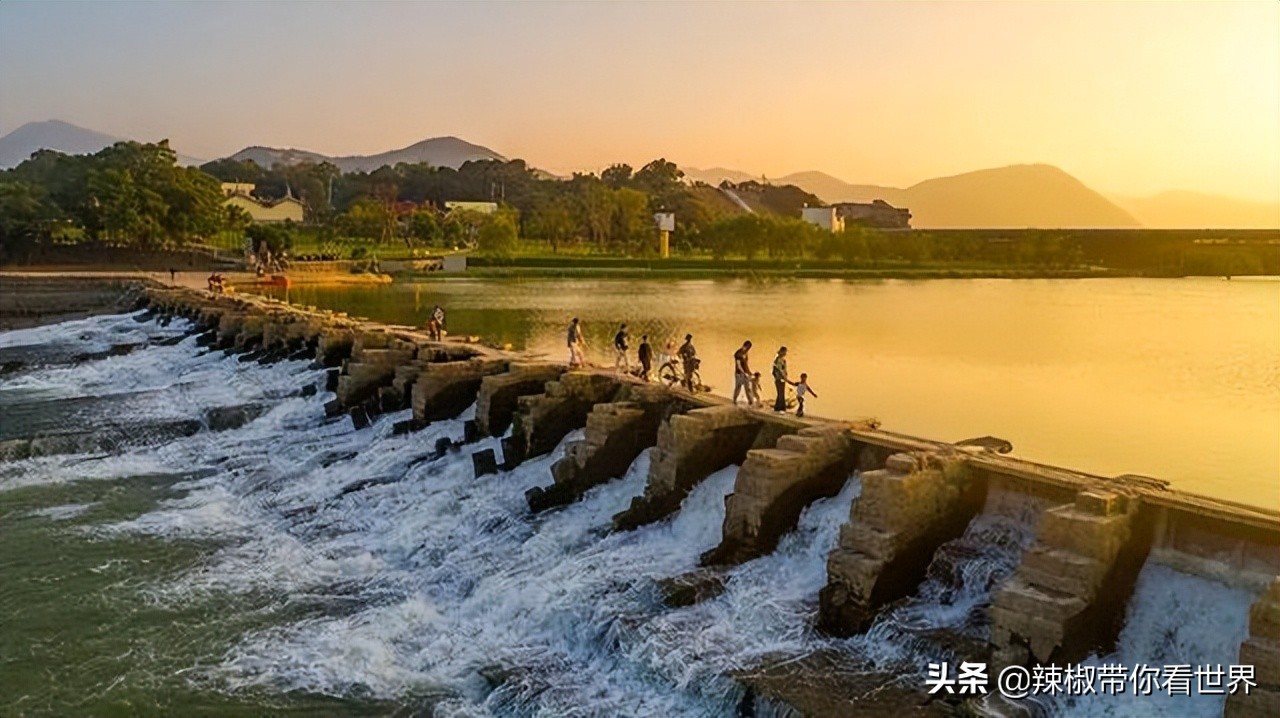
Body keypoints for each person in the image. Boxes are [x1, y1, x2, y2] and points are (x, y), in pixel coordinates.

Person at [732, 340, 753, 404]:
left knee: (748, 388)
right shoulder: (738, 353)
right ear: (746, 346)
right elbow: (739, 365)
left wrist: (749, 372)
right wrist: (744, 373)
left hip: (745, 373)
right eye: (748, 348)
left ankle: (750, 401)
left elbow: (745, 364)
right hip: (739, 374)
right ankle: (734, 400)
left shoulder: (745, 353)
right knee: (738, 387)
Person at [772, 346, 789, 412]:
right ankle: (781, 407)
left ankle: (778, 407)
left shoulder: (781, 359)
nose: (785, 353)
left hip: (780, 378)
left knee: (781, 393)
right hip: (779, 378)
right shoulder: (779, 360)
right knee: (781, 393)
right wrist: (784, 377)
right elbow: (779, 370)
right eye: (785, 352)